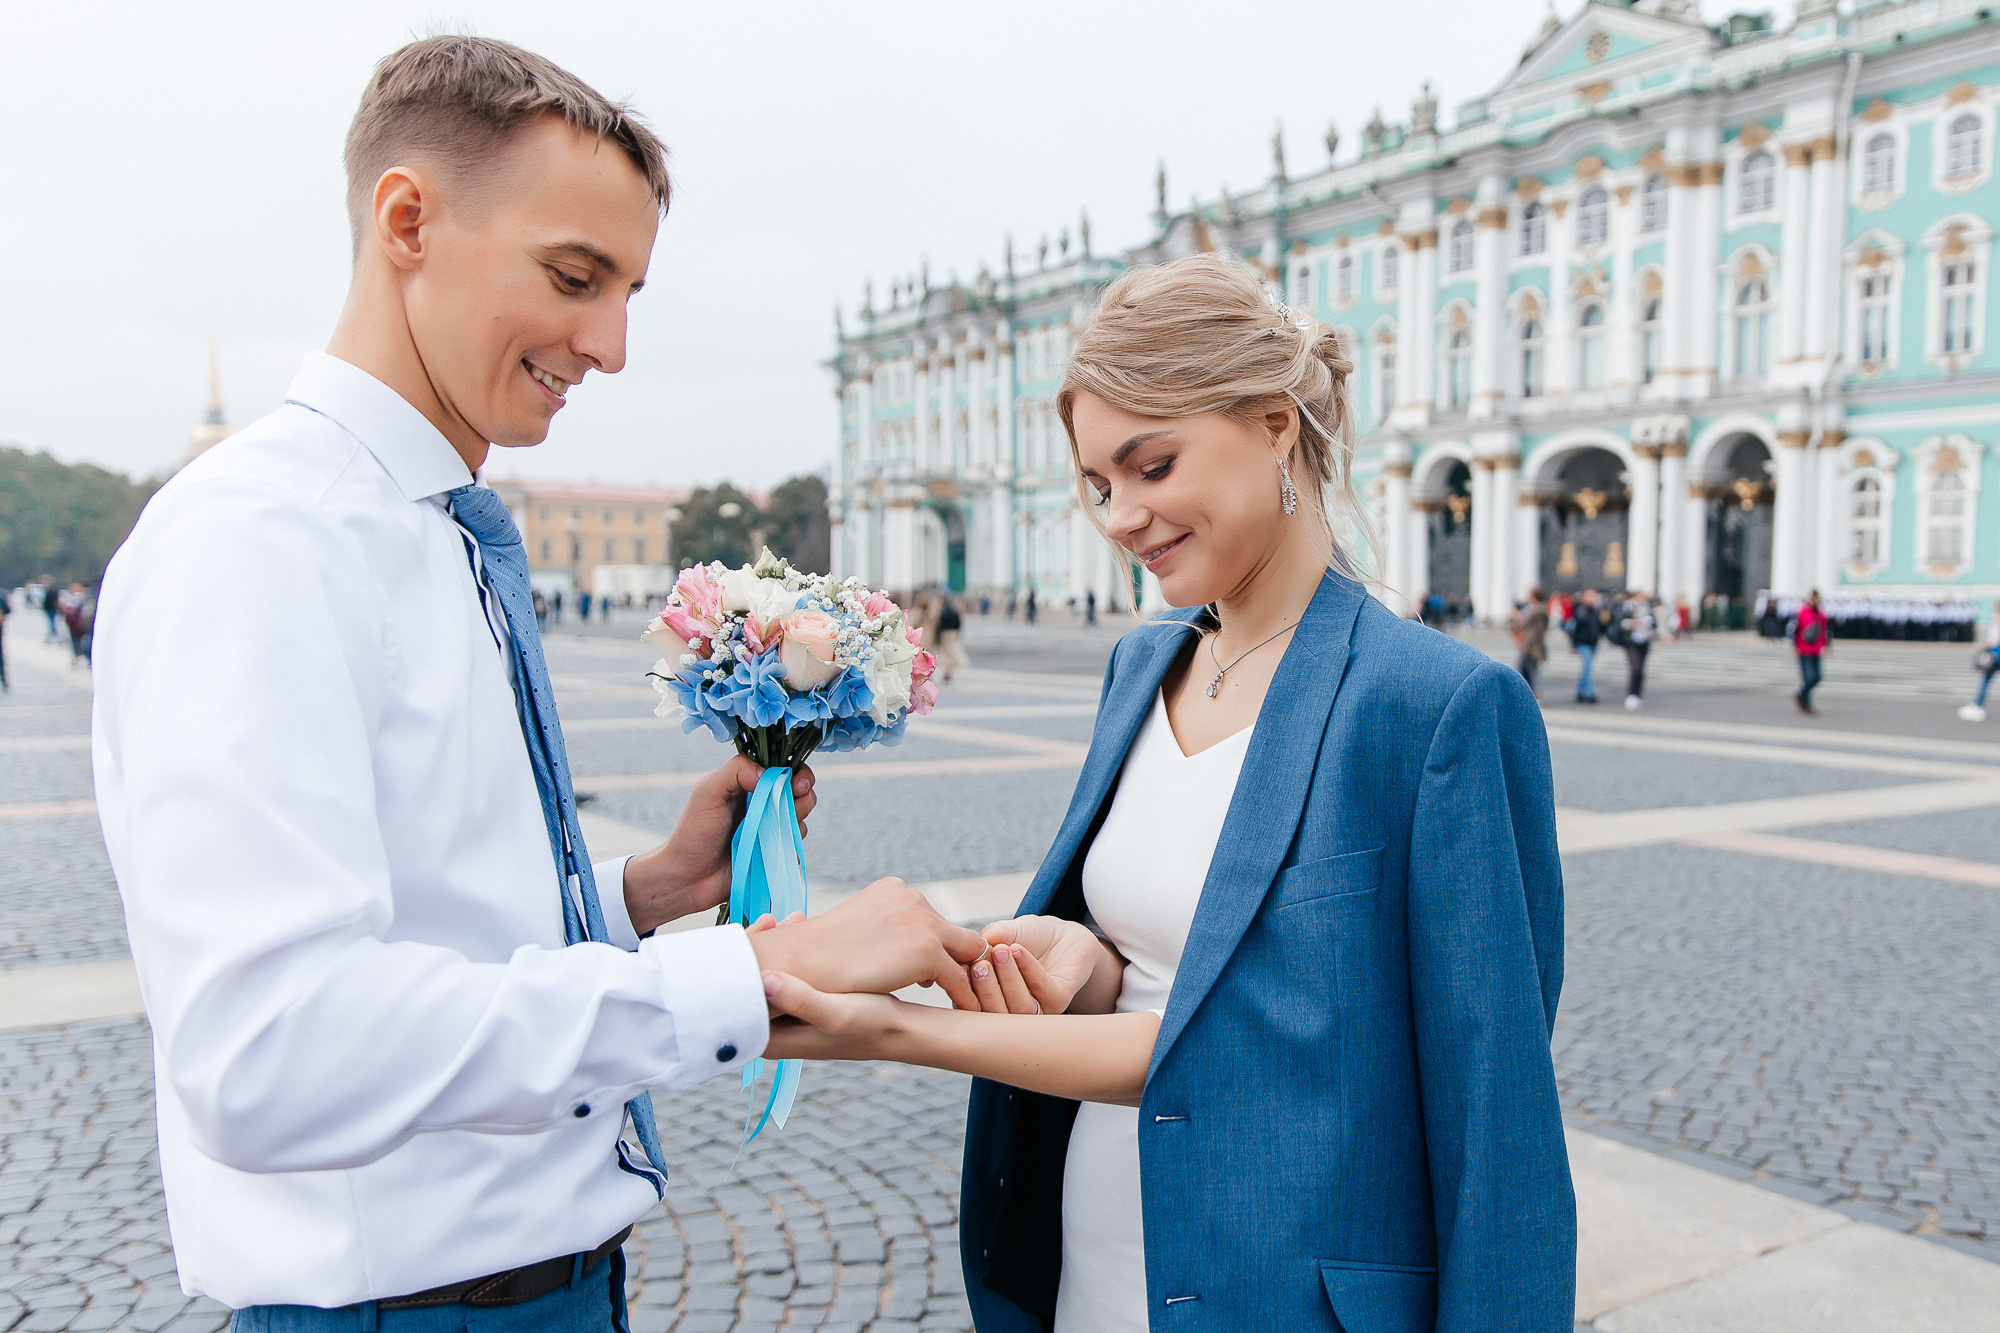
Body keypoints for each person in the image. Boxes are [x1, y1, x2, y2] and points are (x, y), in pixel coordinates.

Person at [89, 37, 988, 1331]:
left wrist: (639, 894)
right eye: (575, 277)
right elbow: (271, 1049)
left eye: (628, 290)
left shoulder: (420, 528)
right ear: (408, 220)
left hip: (540, 1288)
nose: (611, 344)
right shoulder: (260, 542)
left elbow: (422, 924)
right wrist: (758, 968)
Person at [761, 254, 1573, 1331]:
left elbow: (1493, 1126)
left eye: (1151, 465)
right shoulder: (1139, 666)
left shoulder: (1434, 705)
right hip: (1095, 1268)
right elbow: (1169, 962)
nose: (1120, 515)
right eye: (1098, 484)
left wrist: (895, 1030)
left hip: (1291, 1296)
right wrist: (1087, 961)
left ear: (1275, 424)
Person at [1791, 588, 1830, 715]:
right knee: (1809, 678)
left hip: (1816, 649)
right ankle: (1806, 704)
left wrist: (1826, 645)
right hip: (1804, 649)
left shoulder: (1821, 614)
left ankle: (1801, 695)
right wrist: (1795, 646)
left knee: (1818, 677)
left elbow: (1825, 631)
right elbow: (1794, 630)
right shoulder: (1801, 612)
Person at [1960, 598, 2000, 722]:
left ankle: (1978, 705)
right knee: (1986, 680)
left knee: (1986, 680)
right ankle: (1977, 705)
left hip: (1994, 654)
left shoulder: (1995, 621)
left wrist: (1983, 647)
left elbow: (1991, 640)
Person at [1511, 585, 1549, 698]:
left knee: (1527, 669)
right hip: (1529, 644)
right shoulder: (1535, 608)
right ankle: (1528, 693)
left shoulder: (1536, 609)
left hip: (1531, 645)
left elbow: (1523, 622)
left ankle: (1532, 693)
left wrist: (1515, 622)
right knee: (1527, 669)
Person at [1620, 592, 1654, 710]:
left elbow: (1653, 622)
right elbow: (1623, 622)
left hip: (1644, 640)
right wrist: (1638, 622)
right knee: (1636, 668)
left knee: (1641, 670)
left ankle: (1637, 695)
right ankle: (1631, 695)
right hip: (1632, 641)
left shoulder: (1648, 606)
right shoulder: (1628, 606)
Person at [1571, 587, 1604, 704]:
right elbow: (1575, 629)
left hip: (1593, 642)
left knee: (1587, 668)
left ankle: (1580, 691)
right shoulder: (1581, 610)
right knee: (1588, 667)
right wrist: (1573, 645)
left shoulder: (1596, 610)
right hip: (1583, 642)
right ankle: (1589, 693)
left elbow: (1602, 625)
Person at [934, 595, 967, 684]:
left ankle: (947, 672)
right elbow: (958, 623)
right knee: (951, 652)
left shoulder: (942, 612)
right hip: (953, 633)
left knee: (946, 654)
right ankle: (948, 671)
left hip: (944, 634)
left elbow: (939, 624)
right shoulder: (955, 611)